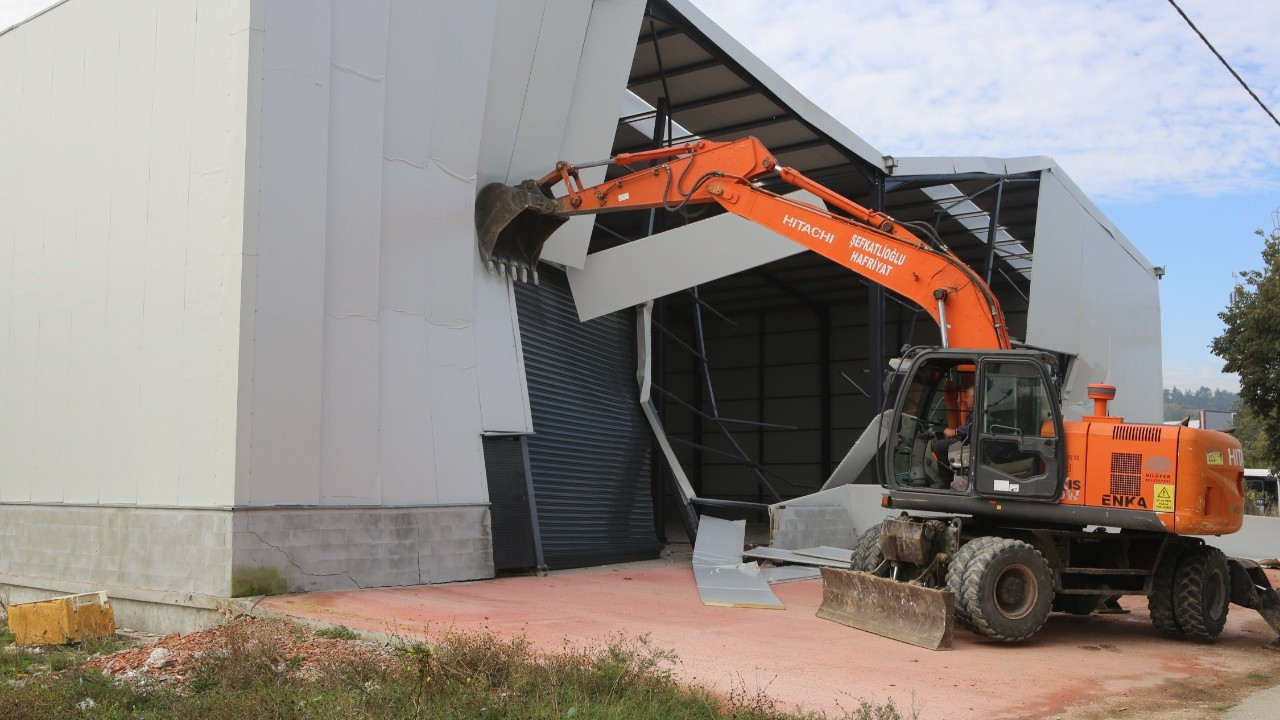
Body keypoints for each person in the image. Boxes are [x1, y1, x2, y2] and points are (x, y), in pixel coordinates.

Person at [931, 386, 973, 488]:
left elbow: (972, 428)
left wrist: (955, 431)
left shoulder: (979, 412)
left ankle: (945, 481)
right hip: (968, 440)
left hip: (971, 444)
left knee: (940, 446)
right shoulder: (975, 412)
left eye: (968, 397)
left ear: (975, 398)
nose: (965, 400)